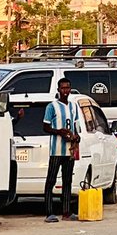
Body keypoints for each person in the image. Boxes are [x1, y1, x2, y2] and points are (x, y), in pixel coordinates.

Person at [43, 78, 81, 222]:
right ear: (58, 90)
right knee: (51, 181)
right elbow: (45, 127)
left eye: (68, 88)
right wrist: (59, 132)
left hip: (69, 151)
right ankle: (49, 213)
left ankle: (66, 212)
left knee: (67, 180)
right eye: (63, 88)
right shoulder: (52, 106)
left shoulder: (73, 106)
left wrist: (76, 137)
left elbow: (75, 126)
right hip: (56, 151)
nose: (66, 91)